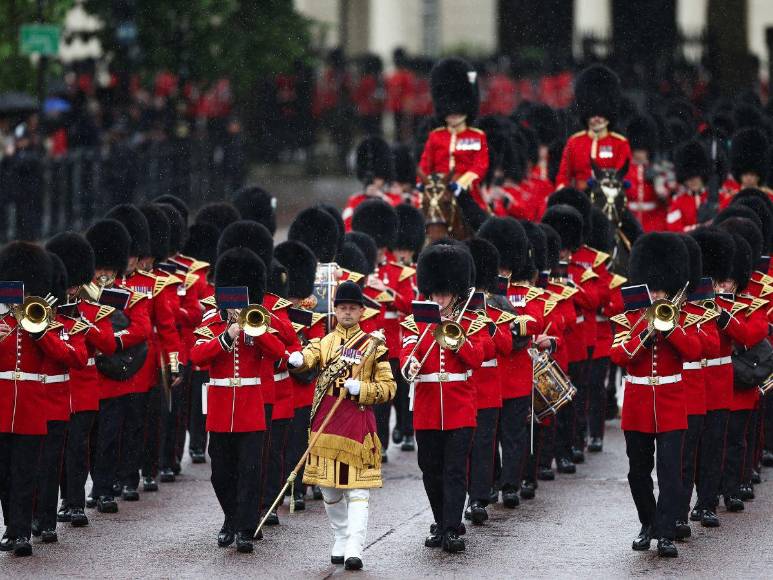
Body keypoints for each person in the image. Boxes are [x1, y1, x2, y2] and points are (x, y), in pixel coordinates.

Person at [287, 280, 395, 570]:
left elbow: (389, 387)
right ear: (335, 311)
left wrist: (363, 388)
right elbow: (309, 357)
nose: (347, 313)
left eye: (352, 308)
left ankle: (355, 546)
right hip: (327, 420)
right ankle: (341, 535)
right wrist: (297, 359)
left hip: (357, 420)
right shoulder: (325, 342)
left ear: (362, 311)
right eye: (342, 308)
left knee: (357, 489)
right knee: (329, 488)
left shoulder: (374, 345)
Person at [610, 232, 701, 558]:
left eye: (663, 289)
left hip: (672, 402)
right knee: (637, 472)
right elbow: (619, 355)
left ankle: (665, 533)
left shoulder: (683, 316)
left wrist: (670, 327)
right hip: (637, 404)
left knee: (669, 471)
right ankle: (647, 523)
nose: (659, 294)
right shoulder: (629, 316)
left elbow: (693, 350)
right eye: (654, 288)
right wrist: (646, 334)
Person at [190, 248, 285, 553]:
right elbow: (196, 356)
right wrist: (227, 335)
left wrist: (255, 332)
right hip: (219, 408)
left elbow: (278, 352)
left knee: (249, 470)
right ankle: (230, 519)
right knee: (220, 472)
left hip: (250, 409)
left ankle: (245, 527)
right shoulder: (210, 325)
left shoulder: (259, 324)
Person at [400, 244, 485, 553]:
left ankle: (451, 528)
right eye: (435, 292)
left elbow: (476, 359)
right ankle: (440, 520)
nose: (438, 298)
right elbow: (406, 353)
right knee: (430, 468)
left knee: (453, 469)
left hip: (460, 406)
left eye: (444, 293)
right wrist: (408, 363)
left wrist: (455, 338)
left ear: (455, 293)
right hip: (426, 407)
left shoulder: (471, 322)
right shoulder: (415, 322)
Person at [0, 243, 80, 556]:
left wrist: (39, 332)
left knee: (24, 472)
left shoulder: (44, 322)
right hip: (2, 405)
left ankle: (20, 534)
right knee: (4, 472)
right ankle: (12, 525)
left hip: (32, 407)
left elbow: (66, 356)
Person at [418, 57, 489, 211]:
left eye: (458, 110)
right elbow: (425, 165)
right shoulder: (435, 136)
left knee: (483, 223)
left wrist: (461, 184)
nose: (453, 113)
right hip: (437, 192)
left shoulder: (476, 136)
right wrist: (423, 182)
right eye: (449, 110)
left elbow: (480, 166)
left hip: (467, 193)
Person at [555, 65, 631, 192]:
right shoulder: (574, 142)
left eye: (601, 113)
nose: (597, 118)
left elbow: (623, 177)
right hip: (579, 200)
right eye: (592, 113)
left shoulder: (619, 143)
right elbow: (563, 176)